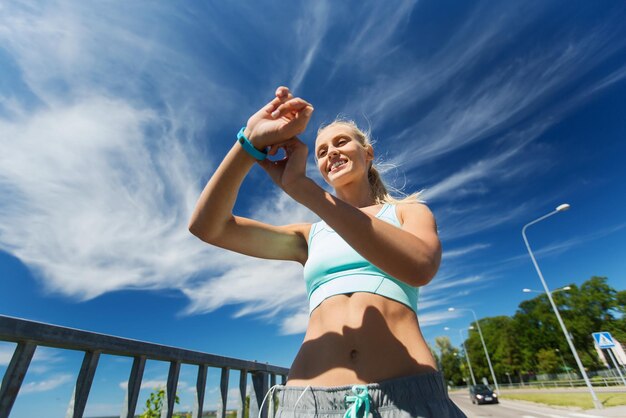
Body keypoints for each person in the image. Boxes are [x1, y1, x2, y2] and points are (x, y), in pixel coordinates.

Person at [188, 87, 466, 418]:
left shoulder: (407, 212)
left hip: (407, 401)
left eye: (340, 143)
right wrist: (249, 143)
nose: (330, 153)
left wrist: (303, 190)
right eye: (320, 151)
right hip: (309, 402)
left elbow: (420, 266)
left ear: (368, 153)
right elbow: (209, 227)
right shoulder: (310, 235)